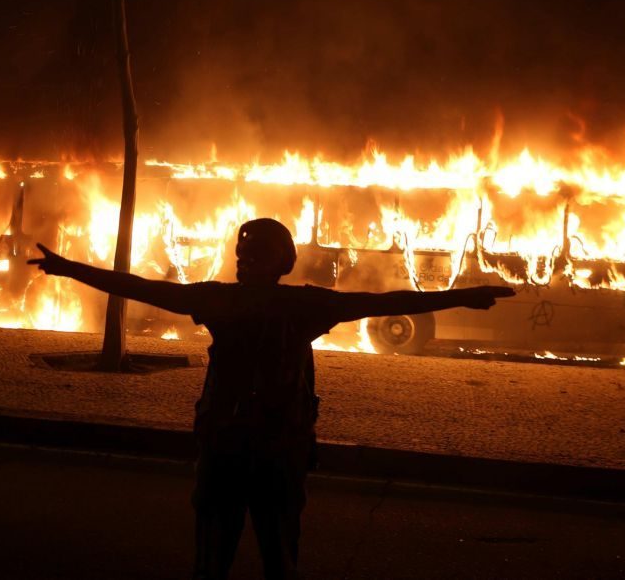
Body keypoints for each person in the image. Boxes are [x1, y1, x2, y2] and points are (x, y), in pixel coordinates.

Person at [28, 218, 514, 579]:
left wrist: (69, 268)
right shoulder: (304, 304)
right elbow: (387, 302)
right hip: (279, 449)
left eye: (247, 254)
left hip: (225, 445)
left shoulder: (220, 299)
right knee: (279, 554)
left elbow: (142, 288)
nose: (243, 260)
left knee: (213, 556)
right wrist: (462, 296)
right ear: (285, 262)